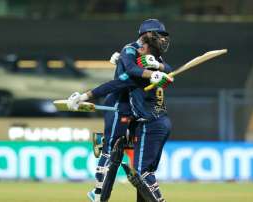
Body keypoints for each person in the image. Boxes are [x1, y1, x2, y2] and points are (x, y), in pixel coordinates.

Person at [66, 19, 173, 202]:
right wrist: (85, 96)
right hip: (119, 105)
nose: (163, 39)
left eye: (164, 36)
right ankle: (99, 192)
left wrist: (159, 67)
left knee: (130, 161)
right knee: (111, 149)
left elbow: (169, 70)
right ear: (146, 36)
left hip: (139, 112)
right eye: (159, 35)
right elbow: (127, 75)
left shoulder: (152, 55)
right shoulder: (131, 49)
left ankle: (113, 191)